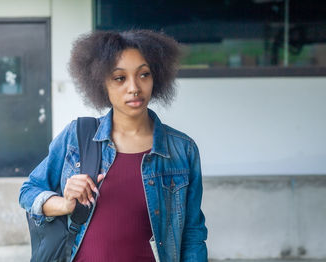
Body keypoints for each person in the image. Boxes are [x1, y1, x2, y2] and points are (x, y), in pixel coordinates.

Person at [19, 30, 208, 262]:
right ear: (101, 83)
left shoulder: (182, 150)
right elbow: (29, 192)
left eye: (144, 75)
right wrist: (65, 204)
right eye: (120, 78)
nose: (134, 88)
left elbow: (192, 233)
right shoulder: (77, 137)